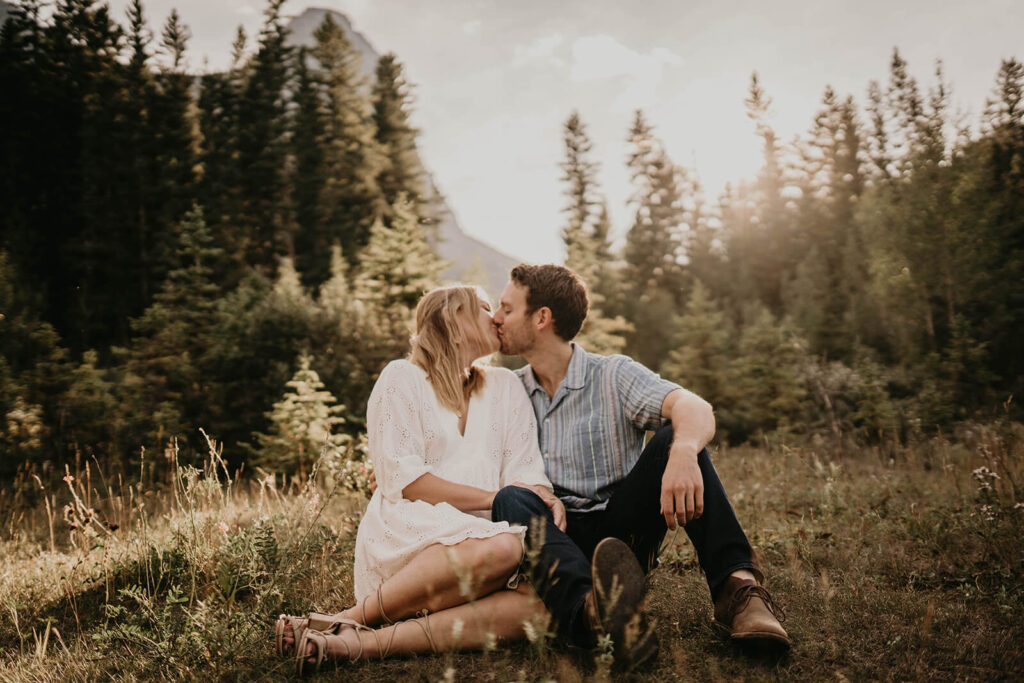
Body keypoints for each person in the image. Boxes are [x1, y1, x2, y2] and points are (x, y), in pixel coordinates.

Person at [274, 285, 645, 673]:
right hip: (412, 530)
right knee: (505, 548)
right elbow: (407, 481)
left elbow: (524, 469)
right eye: (486, 308)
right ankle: (349, 616)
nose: (497, 318)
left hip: (493, 546)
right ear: (454, 319)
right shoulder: (401, 377)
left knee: (543, 607)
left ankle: (356, 645)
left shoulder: (504, 386)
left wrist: (537, 493)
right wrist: (498, 498)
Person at [490, 264, 790, 659]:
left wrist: (683, 453)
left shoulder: (612, 374)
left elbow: (693, 406)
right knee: (511, 498)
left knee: (675, 437)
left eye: (507, 309)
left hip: (623, 535)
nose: (496, 318)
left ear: (541, 317)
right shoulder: (510, 390)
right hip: (558, 536)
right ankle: (592, 614)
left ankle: (739, 590)